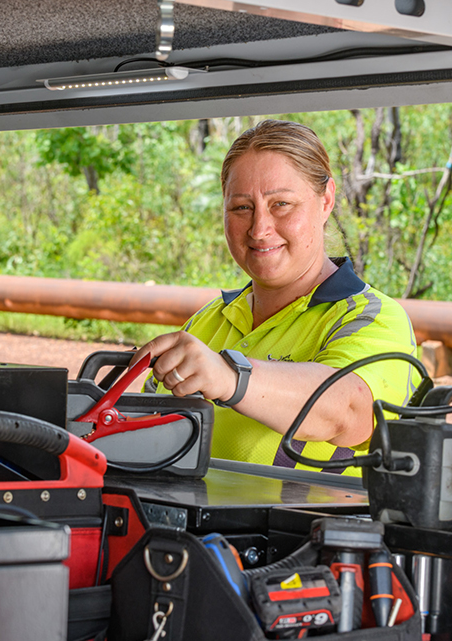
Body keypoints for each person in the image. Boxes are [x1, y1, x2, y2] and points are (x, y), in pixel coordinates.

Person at [133, 120, 417, 476]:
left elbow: (350, 411)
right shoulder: (208, 321)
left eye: (281, 203)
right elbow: (143, 432)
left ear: (326, 199)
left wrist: (231, 378)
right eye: (241, 208)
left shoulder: (372, 318)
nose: (259, 228)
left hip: (303, 528)